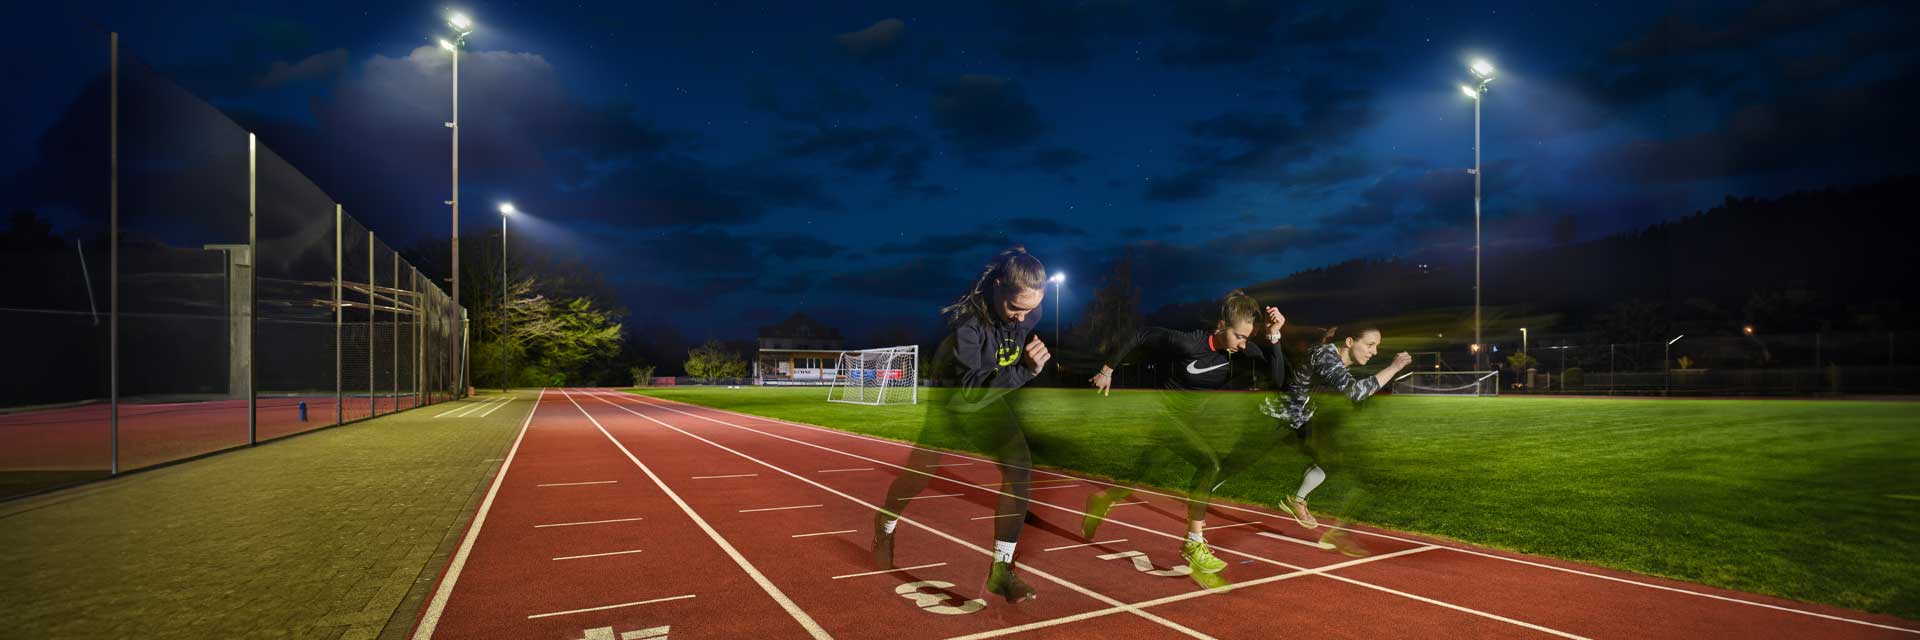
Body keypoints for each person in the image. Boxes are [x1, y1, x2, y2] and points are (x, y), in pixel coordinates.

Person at [871, 246, 1052, 603]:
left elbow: (1000, 364)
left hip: (990, 401)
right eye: (1016, 308)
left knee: (1020, 469)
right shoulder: (966, 325)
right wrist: (1024, 371)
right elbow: (970, 393)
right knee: (918, 476)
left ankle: (1002, 570)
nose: (1022, 318)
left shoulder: (1029, 312)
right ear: (998, 287)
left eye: (1030, 310)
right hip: (954, 402)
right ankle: (884, 524)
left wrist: (1017, 367)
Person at [1083, 290, 1286, 584]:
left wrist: (1275, 338)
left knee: (1136, 479)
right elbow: (1141, 334)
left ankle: (1102, 499)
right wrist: (1107, 369)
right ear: (1221, 326)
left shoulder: (1243, 351)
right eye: (1240, 336)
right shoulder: (1189, 342)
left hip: (1183, 424)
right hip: (1163, 418)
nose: (1244, 344)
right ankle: (1193, 543)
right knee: (1209, 464)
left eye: (1248, 337)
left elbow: (1278, 380)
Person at [1261, 325, 1412, 556]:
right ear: (1350, 341)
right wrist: (1393, 367)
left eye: (1377, 347)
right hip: (1278, 419)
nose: (1374, 352)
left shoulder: (1330, 355)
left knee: (1334, 459)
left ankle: (1300, 503)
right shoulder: (1325, 355)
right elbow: (1355, 392)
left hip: (1299, 419)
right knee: (1226, 467)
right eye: (1370, 345)